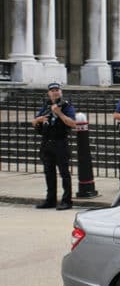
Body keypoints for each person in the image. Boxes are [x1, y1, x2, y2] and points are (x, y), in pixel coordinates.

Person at [31, 82, 76, 210]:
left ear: (60, 92)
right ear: (48, 93)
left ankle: (67, 201)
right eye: (52, 90)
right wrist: (38, 120)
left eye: (57, 90)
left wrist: (59, 113)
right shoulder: (46, 106)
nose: (55, 92)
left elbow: (73, 123)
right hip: (46, 142)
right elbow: (34, 122)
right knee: (49, 173)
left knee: (64, 173)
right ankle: (50, 200)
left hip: (60, 142)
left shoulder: (66, 106)